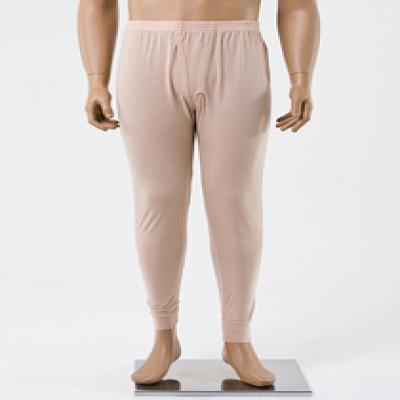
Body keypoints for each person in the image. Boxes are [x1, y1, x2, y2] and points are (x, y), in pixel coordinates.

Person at [77, 0, 320, 387]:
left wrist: (301, 77)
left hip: (236, 50)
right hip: (147, 50)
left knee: (236, 202)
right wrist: (96, 80)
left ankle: (237, 337)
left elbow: (298, 4)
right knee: (157, 200)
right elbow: (97, 3)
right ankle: (163, 335)